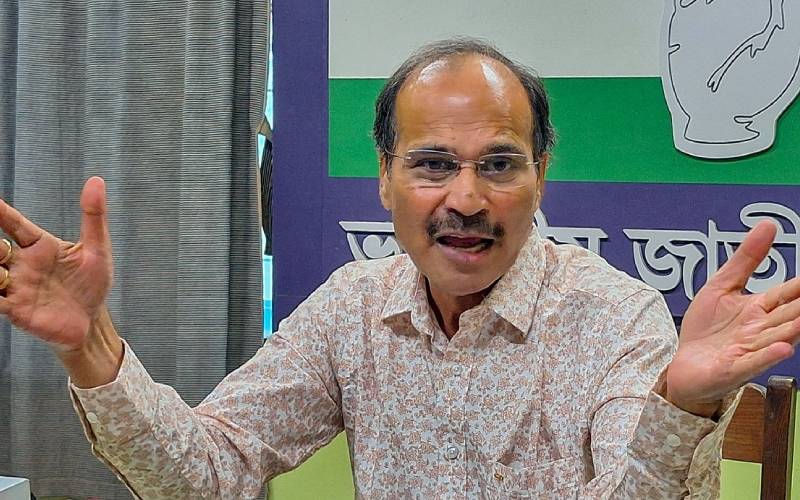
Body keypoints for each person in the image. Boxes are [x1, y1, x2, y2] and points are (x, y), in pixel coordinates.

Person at [1, 38, 798, 499]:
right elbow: (205, 475)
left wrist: (682, 404)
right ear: (384, 177)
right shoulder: (353, 305)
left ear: (540, 177)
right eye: (432, 164)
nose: (466, 199)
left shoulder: (617, 315)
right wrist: (89, 345)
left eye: (499, 164)